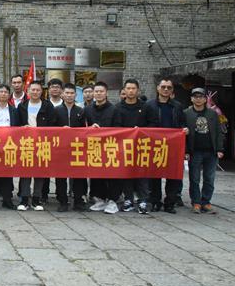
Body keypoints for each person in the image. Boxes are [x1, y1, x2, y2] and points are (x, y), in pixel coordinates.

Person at [112, 78, 160, 214]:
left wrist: (141, 130)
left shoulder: (146, 107)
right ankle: (128, 199)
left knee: (142, 173)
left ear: (138, 90)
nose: (131, 91)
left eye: (133, 88)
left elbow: (153, 124)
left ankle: (143, 200)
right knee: (127, 173)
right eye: (128, 88)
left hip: (142, 146)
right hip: (125, 146)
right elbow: (115, 126)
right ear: (124, 90)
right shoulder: (118, 107)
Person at [17, 80, 58, 211]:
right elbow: (16, 125)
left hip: (42, 143)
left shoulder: (48, 106)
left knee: (40, 171)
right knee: (25, 171)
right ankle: (24, 199)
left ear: (42, 92)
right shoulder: (22, 106)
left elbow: (53, 125)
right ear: (28, 91)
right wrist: (22, 127)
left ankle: (36, 199)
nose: (35, 92)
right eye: (33, 90)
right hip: (26, 143)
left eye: (38, 90)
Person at [147, 78, 186, 213]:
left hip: (173, 146)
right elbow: (143, 124)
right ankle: (155, 201)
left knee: (172, 175)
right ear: (158, 88)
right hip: (155, 145)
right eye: (163, 87)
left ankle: (170, 203)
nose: (166, 90)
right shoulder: (149, 105)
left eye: (169, 87)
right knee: (154, 175)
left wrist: (184, 129)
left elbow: (182, 123)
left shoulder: (177, 106)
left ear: (172, 90)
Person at [185, 88, 224, 214]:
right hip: (194, 151)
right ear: (191, 99)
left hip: (211, 151)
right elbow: (183, 135)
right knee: (194, 178)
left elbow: (218, 132)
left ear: (205, 99)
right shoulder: (186, 113)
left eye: (201, 97)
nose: (198, 99)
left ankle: (206, 202)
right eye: (195, 97)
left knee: (209, 178)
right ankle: (196, 202)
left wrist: (219, 149)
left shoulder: (212, 114)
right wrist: (186, 151)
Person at [85, 81, 121, 214]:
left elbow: (118, 129)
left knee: (111, 174)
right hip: (94, 147)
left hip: (110, 146)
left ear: (106, 93)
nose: (99, 94)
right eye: (96, 91)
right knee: (96, 174)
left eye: (101, 91)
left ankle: (112, 201)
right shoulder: (88, 109)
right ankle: (99, 199)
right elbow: (83, 128)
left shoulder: (114, 109)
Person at [54, 83, 87, 212]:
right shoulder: (56, 110)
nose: (69, 95)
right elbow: (50, 129)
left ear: (75, 95)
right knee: (60, 176)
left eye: (72, 93)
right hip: (61, 148)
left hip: (77, 148)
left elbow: (85, 130)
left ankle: (78, 200)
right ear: (62, 94)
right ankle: (62, 201)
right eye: (67, 93)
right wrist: (60, 130)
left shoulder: (81, 111)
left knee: (78, 175)